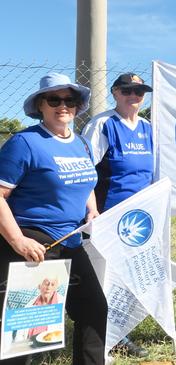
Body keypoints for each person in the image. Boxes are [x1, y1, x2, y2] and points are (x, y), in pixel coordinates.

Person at [0, 73, 106, 364]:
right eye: (54, 99)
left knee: (94, 309)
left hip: (71, 241)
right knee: (26, 334)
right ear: (40, 105)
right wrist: (18, 240)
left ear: (77, 105)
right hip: (34, 243)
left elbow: (86, 181)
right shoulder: (24, 142)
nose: (63, 105)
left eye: (69, 99)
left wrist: (91, 210)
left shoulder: (81, 144)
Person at [81, 73, 154, 357]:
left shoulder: (148, 127)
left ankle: (119, 335)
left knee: (127, 280)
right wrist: (91, 211)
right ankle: (101, 344)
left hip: (138, 223)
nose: (134, 95)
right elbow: (85, 170)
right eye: (127, 90)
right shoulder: (103, 124)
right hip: (107, 218)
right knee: (103, 280)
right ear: (115, 92)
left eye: (139, 91)